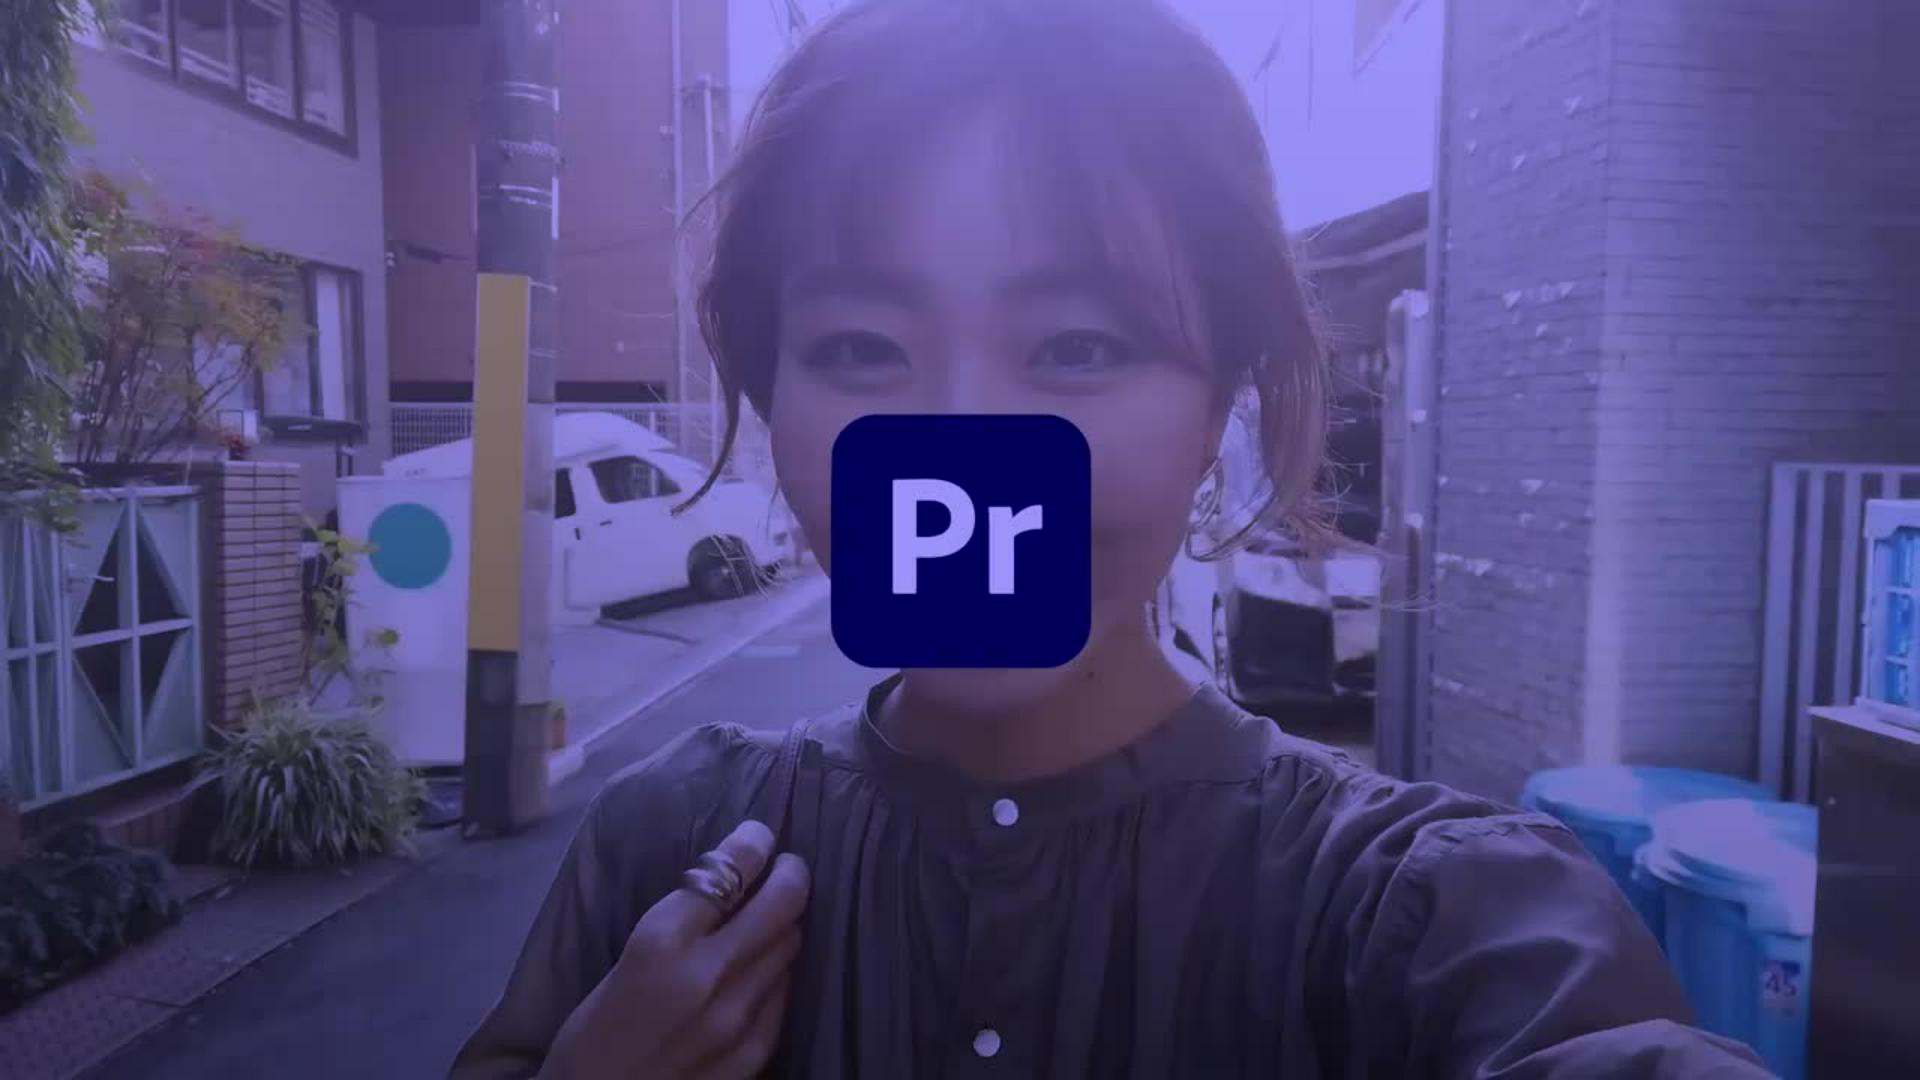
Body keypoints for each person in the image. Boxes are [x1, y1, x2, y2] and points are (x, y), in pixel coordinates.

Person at [451, 1, 1773, 1076]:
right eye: (861, 347)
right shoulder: (664, 847)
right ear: (770, 390)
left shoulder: (1413, 917)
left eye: (1078, 347)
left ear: (1218, 406)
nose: (962, 460)